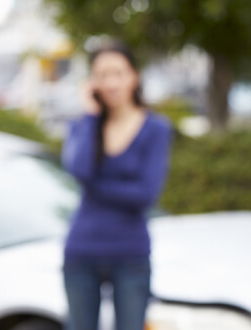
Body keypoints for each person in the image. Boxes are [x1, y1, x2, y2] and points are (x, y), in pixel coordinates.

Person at [61, 42, 173, 330]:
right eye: (102, 75)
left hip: (131, 252)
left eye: (118, 73)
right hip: (81, 250)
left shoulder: (156, 128)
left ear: (133, 76)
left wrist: (94, 184)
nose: (110, 83)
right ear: (92, 82)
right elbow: (78, 169)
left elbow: (146, 194)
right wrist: (90, 115)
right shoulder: (83, 126)